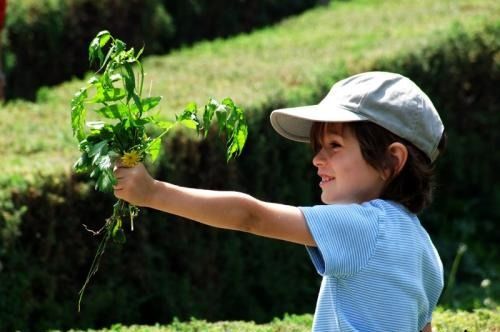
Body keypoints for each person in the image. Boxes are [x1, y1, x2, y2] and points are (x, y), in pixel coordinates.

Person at [114, 71, 445, 332]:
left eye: (334, 145)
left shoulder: (364, 226)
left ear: (392, 161)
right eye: (318, 146)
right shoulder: (425, 252)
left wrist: (152, 192)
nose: (317, 159)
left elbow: (250, 216)